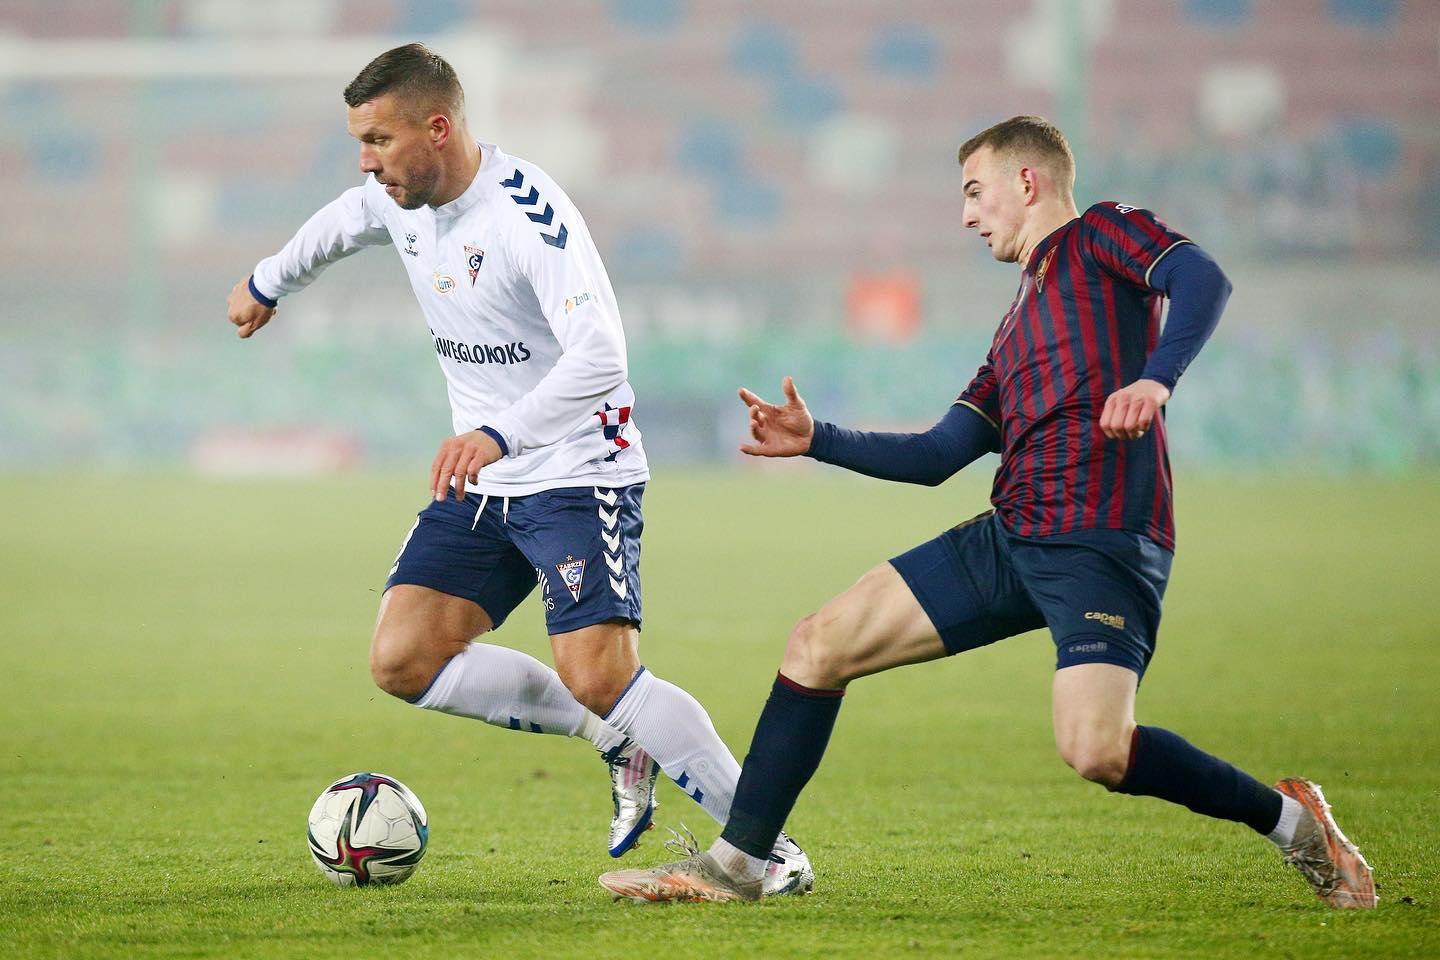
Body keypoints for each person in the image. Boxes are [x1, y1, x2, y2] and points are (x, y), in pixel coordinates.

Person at [598, 115, 1374, 908]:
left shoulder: (1101, 234)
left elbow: (1202, 279)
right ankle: (738, 866)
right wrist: (817, 440)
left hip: (1099, 541)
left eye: (975, 192)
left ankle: (1295, 826)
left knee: (1098, 751)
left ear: (1027, 182)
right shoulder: (1013, 329)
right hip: (1010, 536)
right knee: (817, 644)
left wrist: (1158, 378)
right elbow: (939, 454)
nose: (967, 214)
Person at [224, 42, 811, 894]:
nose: (366, 161)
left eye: (379, 140)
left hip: (577, 466)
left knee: (603, 674)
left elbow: (602, 356)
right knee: (404, 658)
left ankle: (769, 851)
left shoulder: (529, 215)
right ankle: (615, 737)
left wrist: (500, 435)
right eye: (360, 142)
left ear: (438, 127)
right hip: (488, 477)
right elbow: (344, 219)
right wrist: (268, 281)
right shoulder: (396, 197)